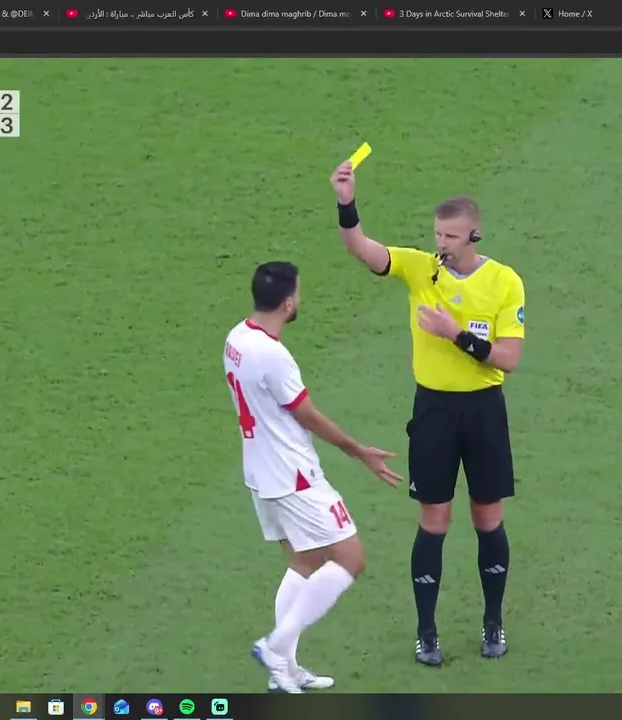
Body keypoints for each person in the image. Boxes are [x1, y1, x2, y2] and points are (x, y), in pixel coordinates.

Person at [328, 161, 526, 666]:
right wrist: (346, 201)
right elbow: (360, 247)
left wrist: (453, 334)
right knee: (434, 519)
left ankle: (493, 622)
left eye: (452, 236)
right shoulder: (421, 268)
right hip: (434, 411)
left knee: (488, 517)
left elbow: (508, 358)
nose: (442, 243)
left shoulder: (505, 282)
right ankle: (427, 632)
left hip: (484, 411)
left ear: (474, 235)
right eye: (438, 234)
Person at [223, 261, 402, 693]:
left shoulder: (236, 338)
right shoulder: (274, 356)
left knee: (304, 563)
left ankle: (283, 669)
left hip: (259, 471)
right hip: (293, 475)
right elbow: (307, 415)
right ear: (288, 303)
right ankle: (275, 646)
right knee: (351, 559)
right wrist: (358, 451)